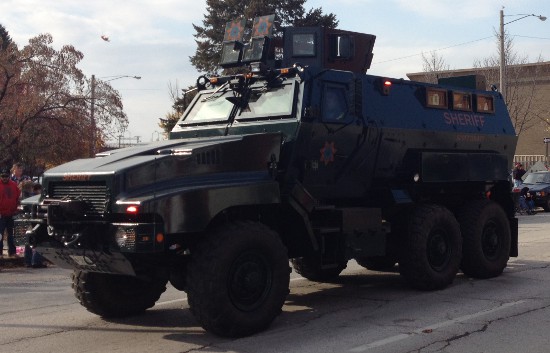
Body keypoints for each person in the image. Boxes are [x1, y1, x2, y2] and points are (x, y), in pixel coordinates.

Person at [24, 183, 47, 268]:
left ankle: (28, 261)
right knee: (39, 240)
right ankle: (36, 261)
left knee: (29, 240)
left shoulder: (28, 198)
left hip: (30, 221)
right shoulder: (39, 199)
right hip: (38, 222)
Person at [0, 167, 21, 257]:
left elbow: (18, 198)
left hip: (11, 214)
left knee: (11, 235)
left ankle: (12, 252)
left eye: (6, 176)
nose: (4, 178)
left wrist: (16, 209)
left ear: (9, 176)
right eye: (3, 176)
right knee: (0, 235)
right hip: (1, 214)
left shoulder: (14, 185)